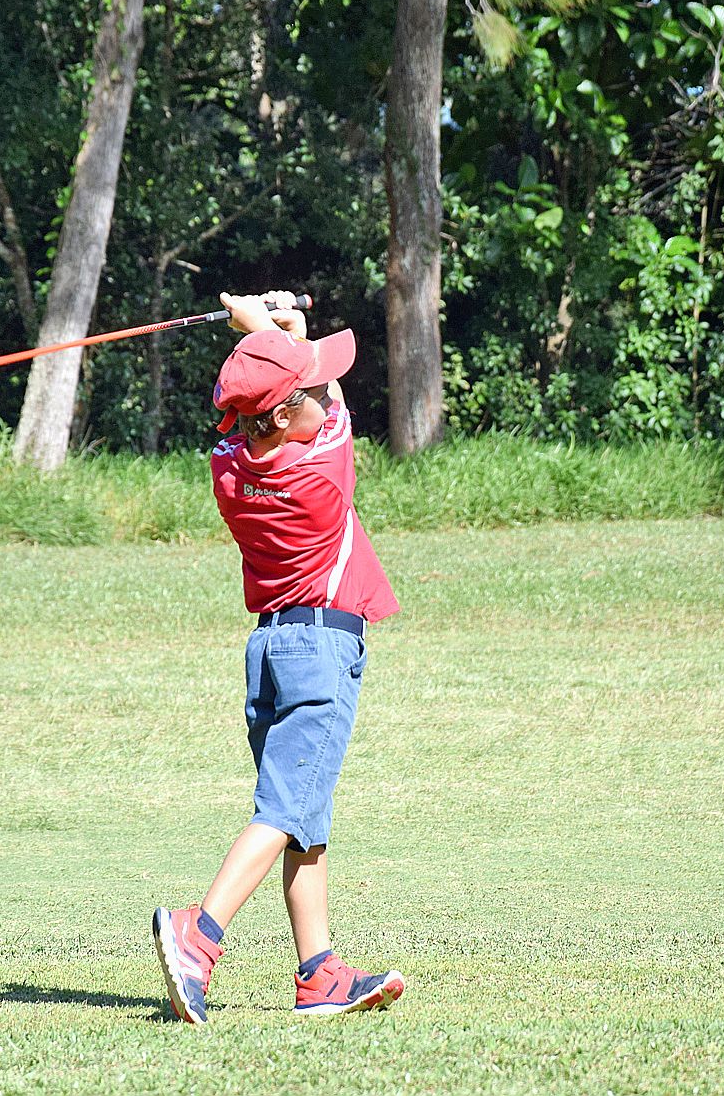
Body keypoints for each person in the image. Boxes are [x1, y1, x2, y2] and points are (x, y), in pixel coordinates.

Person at [151, 290, 405, 1024]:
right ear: (287, 415)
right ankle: (198, 935)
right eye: (309, 392)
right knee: (286, 807)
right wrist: (267, 326)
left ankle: (319, 972)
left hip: (269, 649)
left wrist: (273, 337)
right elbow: (330, 402)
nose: (324, 395)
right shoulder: (321, 470)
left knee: (305, 812)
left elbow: (254, 407)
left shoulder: (229, 467)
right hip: (322, 650)